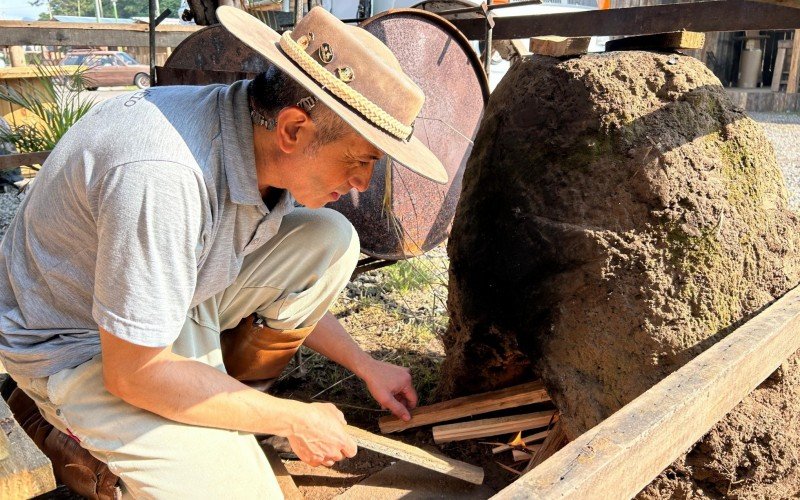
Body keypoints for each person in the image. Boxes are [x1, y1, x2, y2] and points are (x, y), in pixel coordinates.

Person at [0, 6, 447, 498]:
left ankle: (217, 406)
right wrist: (292, 417)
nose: (362, 184)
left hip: (165, 299)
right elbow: (133, 373)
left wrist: (367, 365)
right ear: (294, 129)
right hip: (82, 345)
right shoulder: (164, 176)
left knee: (332, 238)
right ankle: (67, 429)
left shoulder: (251, 139)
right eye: (359, 161)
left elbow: (230, 263)